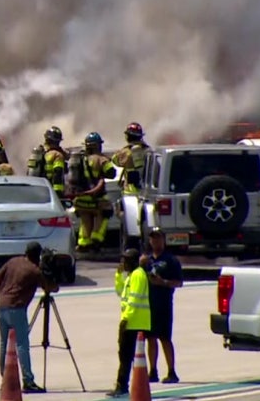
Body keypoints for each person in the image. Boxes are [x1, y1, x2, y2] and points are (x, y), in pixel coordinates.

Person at [0, 242, 59, 393]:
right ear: (37, 256)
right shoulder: (34, 270)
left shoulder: (13, 261)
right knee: (22, 345)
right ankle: (28, 381)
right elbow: (49, 287)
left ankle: (6, 377)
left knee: (5, 343)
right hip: (16, 309)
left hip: (1, 306)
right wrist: (55, 280)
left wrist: (1, 295)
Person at [107, 248, 151, 398]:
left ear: (133, 261)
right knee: (124, 355)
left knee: (126, 356)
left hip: (134, 323)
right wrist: (119, 275)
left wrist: (126, 318)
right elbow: (120, 291)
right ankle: (124, 384)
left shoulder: (138, 275)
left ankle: (122, 385)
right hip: (132, 321)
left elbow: (135, 298)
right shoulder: (131, 276)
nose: (123, 263)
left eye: (125, 260)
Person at [146, 228, 183, 383]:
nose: (156, 241)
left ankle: (172, 371)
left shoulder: (170, 260)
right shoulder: (146, 260)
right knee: (150, 338)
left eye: (158, 238)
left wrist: (163, 283)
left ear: (164, 240)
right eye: (153, 239)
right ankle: (152, 370)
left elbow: (179, 282)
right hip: (148, 305)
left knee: (165, 338)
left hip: (164, 304)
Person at [73, 132, 117, 252]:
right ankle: (96, 239)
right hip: (96, 198)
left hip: (81, 199)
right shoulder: (101, 159)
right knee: (105, 212)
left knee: (85, 219)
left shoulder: (80, 160)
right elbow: (112, 173)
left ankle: (83, 243)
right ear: (98, 146)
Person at [112, 122, 151, 194]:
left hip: (130, 191)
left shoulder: (126, 152)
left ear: (128, 137)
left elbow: (114, 159)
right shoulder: (148, 150)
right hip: (147, 190)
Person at [42, 126, 69, 198]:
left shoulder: (43, 153)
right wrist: (58, 193)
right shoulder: (58, 155)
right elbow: (58, 173)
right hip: (52, 191)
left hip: (40, 189)